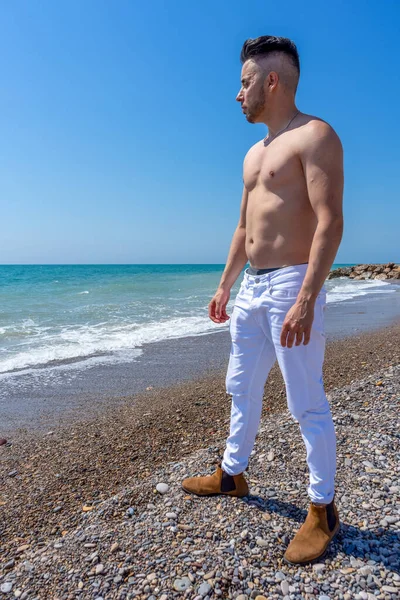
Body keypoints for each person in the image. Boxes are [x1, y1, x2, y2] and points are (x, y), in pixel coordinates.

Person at [182, 36, 344, 565]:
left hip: (291, 284)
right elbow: (243, 225)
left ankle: (322, 509)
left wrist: (306, 297)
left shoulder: (315, 136)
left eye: (245, 81)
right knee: (240, 386)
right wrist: (226, 283)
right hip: (252, 286)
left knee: (305, 400)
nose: (238, 94)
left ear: (272, 81)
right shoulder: (254, 153)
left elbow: (329, 222)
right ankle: (232, 474)